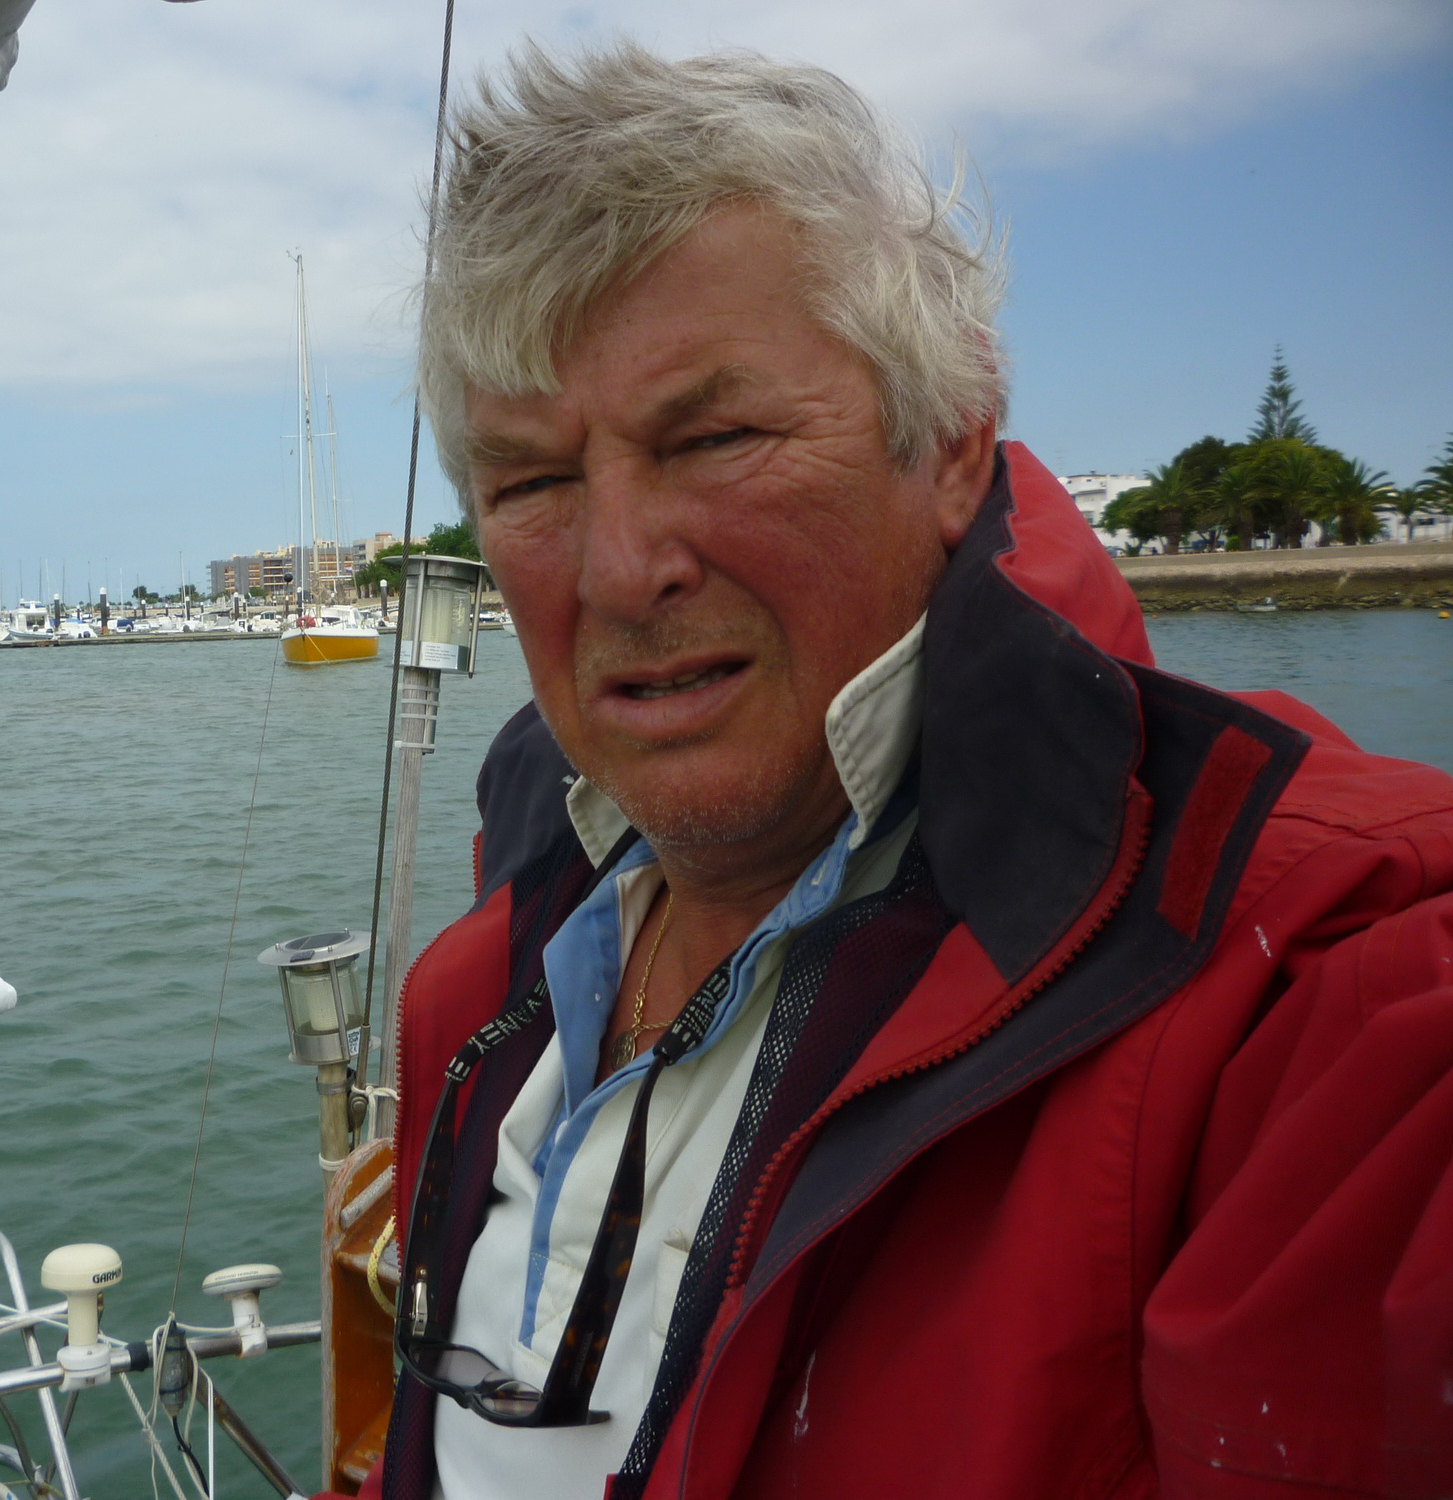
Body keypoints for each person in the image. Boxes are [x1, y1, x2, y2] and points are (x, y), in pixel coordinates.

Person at [358, 41, 1453, 1500]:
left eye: (716, 437)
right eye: (534, 482)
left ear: (949, 444)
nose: (618, 571)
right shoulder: (480, 990)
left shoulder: (1319, 983)